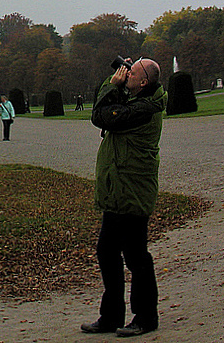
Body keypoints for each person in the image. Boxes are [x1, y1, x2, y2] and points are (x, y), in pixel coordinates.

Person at [81, 57, 167, 337]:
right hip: (121, 190)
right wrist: (117, 86)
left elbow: (102, 116)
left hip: (133, 191)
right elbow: (109, 111)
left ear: (143, 82)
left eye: (133, 72)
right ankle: (111, 316)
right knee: (108, 251)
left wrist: (111, 84)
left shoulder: (145, 108)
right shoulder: (140, 100)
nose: (127, 74)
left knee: (135, 255)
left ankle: (145, 317)